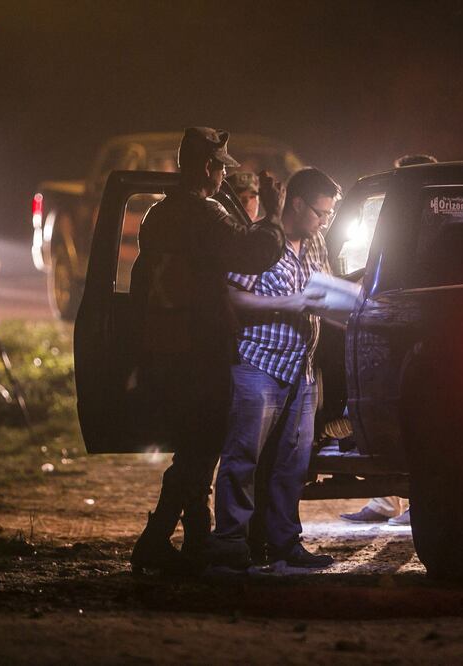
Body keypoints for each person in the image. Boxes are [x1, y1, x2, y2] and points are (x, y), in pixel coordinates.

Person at [128, 127, 286, 574]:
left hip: (165, 347)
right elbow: (252, 254)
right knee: (203, 447)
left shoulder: (157, 215)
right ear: (206, 167)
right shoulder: (204, 214)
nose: (222, 176)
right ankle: (155, 539)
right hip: (199, 348)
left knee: (192, 443)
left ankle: (198, 538)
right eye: (219, 167)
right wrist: (272, 216)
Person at [212, 167, 341, 569]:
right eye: (321, 212)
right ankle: (232, 543)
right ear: (297, 204)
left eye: (330, 214)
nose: (326, 221)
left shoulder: (316, 242)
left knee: (293, 464)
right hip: (259, 365)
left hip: (302, 369)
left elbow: (326, 290)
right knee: (242, 459)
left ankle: (284, 542)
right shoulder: (261, 243)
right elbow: (234, 299)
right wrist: (293, 304)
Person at [340, 153, 438, 527]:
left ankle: (414, 502)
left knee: (410, 412)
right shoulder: (412, 216)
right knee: (394, 410)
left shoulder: (420, 217)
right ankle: (387, 499)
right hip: (402, 323)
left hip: (412, 325)